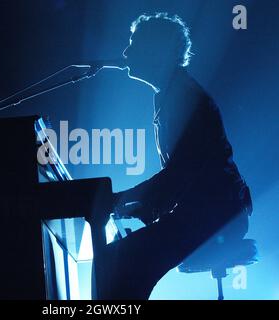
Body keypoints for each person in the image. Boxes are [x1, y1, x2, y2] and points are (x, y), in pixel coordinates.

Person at [93, 13, 252, 300]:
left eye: (134, 44)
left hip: (218, 215)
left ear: (159, 51)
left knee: (125, 261)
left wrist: (122, 199)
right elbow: (179, 179)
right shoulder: (167, 95)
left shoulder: (186, 97)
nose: (126, 52)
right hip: (204, 211)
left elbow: (179, 175)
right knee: (123, 259)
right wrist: (136, 206)